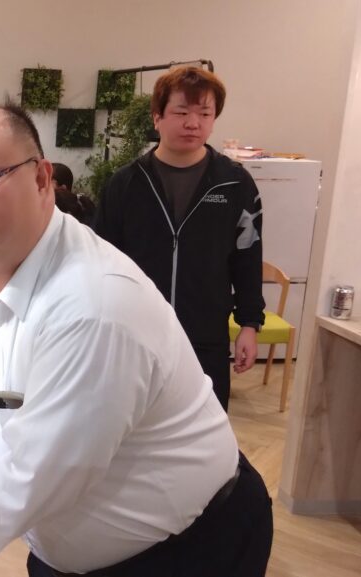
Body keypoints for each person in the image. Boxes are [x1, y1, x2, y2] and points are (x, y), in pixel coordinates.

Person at [0, 103, 273, 577]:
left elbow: (43, 474)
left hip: (187, 550)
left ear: (42, 179)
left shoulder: (94, 304)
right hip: (62, 548)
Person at [94, 66, 264, 412]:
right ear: (157, 117)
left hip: (206, 336)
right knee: (135, 425)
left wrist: (249, 324)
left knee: (205, 426)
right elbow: (101, 262)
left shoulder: (235, 184)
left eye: (205, 114)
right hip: (136, 334)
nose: (193, 123)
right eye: (182, 112)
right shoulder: (125, 184)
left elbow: (247, 258)